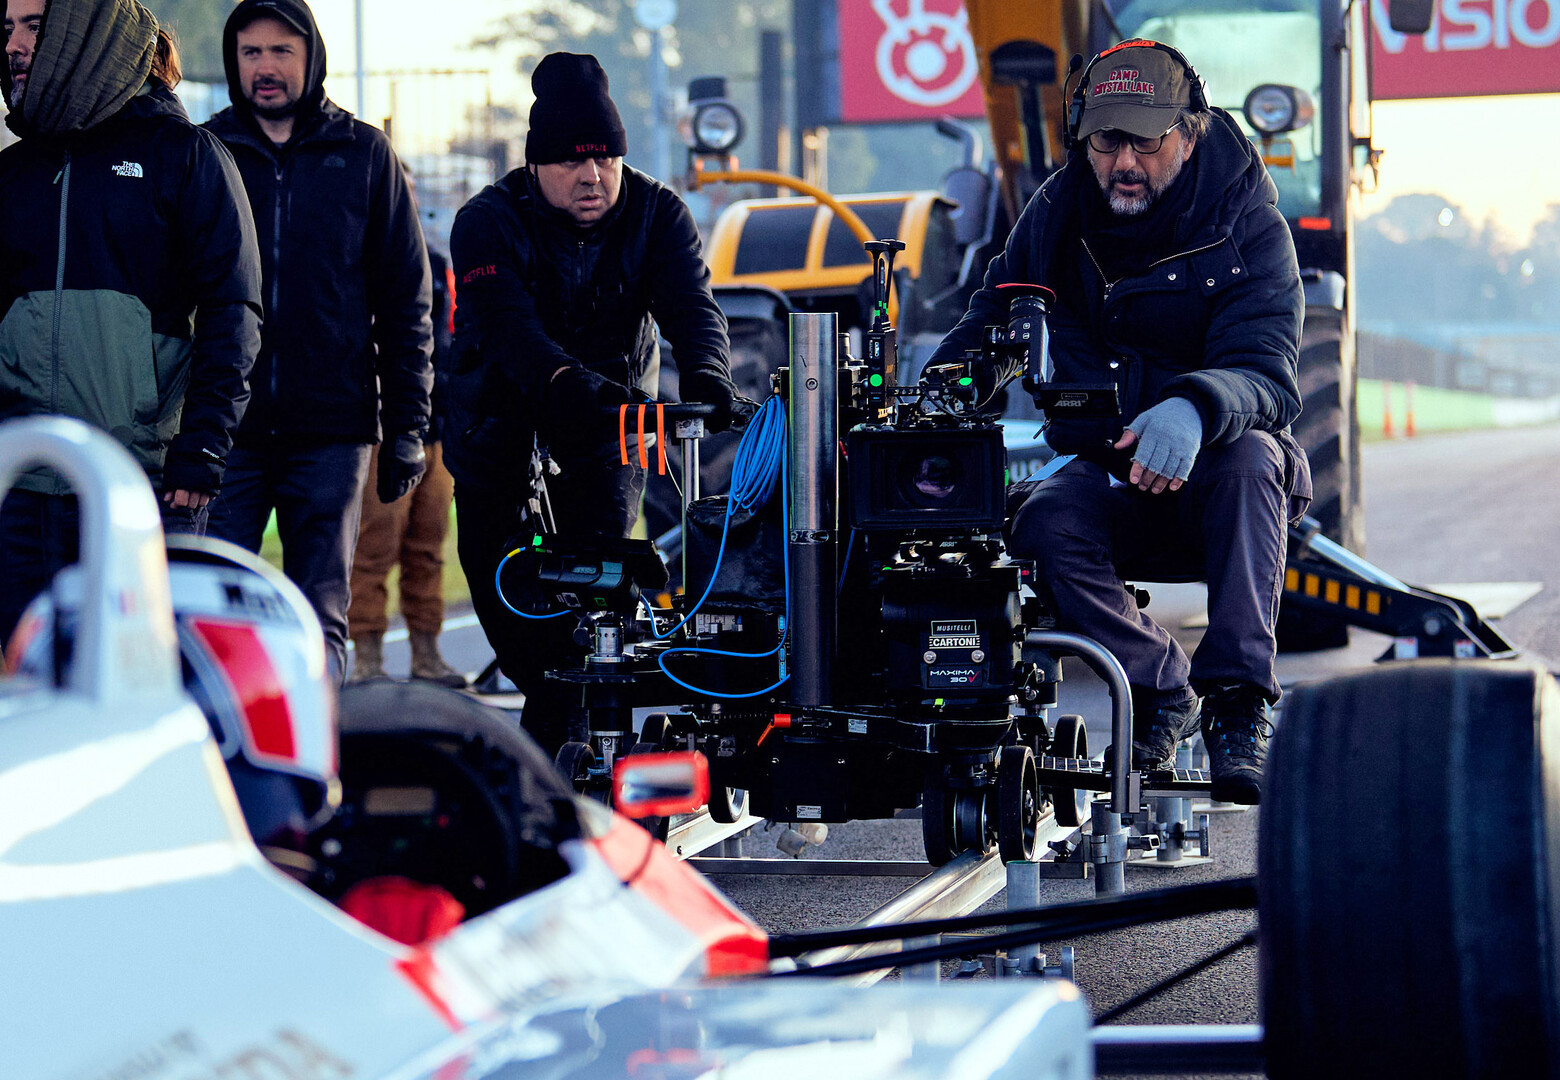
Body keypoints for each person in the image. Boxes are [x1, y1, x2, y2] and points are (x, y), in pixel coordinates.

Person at [927, 40, 1311, 804]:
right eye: (1107, 141)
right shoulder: (1055, 213)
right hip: (1111, 469)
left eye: (1145, 140)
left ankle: (1237, 708)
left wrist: (1196, 405)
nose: (1124, 161)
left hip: (1221, 471)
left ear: (1190, 133)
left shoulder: (1252, 224)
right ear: (1083, 139)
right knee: (1043, 519)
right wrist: (938, 395)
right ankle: (1163, 688)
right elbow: (996, 319)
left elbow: (1268, 371)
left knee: (1251, 464)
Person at [444, 52, 735, 755]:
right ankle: (557, 730)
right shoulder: (486, 221)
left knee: (596, 598)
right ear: (537, 165)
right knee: (509, 601)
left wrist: (708, 374)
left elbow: (692, 306)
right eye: (575, 162)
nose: (593, 176)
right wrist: (556, 383)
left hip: (610, 427)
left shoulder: (658, 211)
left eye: (606, 158)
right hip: (499, 422)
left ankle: (566, 763)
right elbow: (506, 325)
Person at [0, 0, 262, 648]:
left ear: (85, 32)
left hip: (143, 489)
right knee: (26, 708)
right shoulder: (12, 173)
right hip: (21, 494)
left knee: (138, 690)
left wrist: (201, 452)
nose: (14, 44)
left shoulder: (185, 156)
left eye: (34, 25)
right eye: (4, 28)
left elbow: (235, 312)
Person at [204, 0, 433, 685]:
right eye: (251, 53)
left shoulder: (365, 155)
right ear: (232, 61)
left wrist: (408, 429)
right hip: (226, 433)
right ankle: (225, 773)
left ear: (311, 57)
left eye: (281, 51)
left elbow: (405, 303)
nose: (265, 68)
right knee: (218, 609)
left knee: (317, 614)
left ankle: (322, 770)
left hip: (332, 432)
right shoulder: (205, 152)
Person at [346, 242, 467, 687]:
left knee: (428, 548)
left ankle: (426, 655)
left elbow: (453, 335)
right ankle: (368, 660)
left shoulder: (438, 263)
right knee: (372, 547)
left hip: (437, 429)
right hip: (384, 429)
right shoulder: (364, 257)